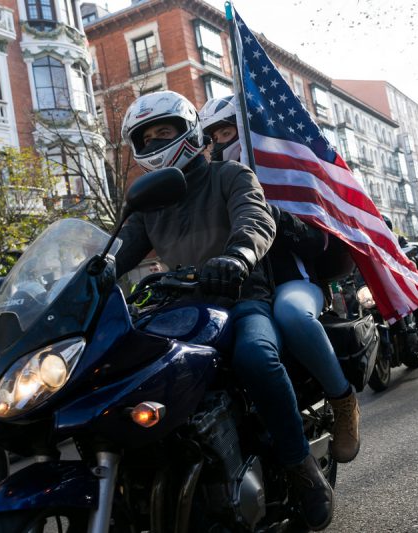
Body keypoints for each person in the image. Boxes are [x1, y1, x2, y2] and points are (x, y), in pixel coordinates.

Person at [118, 91, 333, 530]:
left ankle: (302, 470)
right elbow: (114, 253)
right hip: (179, 313)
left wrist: (236, 258)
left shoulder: (230, 175)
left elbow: (256, 221)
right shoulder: (146, 202)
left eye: (165, 131)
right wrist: (69, 281)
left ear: (189, 132)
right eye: (147, 136)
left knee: (256, 357)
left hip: (241, 299)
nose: (156, 141)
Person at [199, 96, 360, 464]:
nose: (222, 141)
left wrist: (268, 213)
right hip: (241, 292)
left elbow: (316, 241)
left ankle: (343, 401)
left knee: (291, 314)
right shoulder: (214, 183)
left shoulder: (282, 170)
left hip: (292, 282)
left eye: (228, 131)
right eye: (215, 136)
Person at [383, 216, 418, 352]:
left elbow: (408, 256)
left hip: (399, 280)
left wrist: (410, 260)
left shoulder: (398, 239)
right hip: (382, 284)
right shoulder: (364, 241)